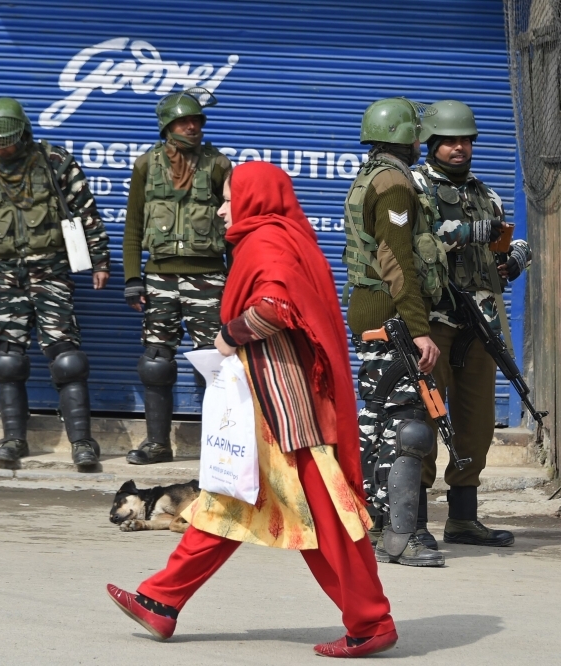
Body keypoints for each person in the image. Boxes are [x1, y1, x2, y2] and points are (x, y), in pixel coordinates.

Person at [107, 161, 397, 658]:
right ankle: (161, 599)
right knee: (229, 502)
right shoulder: (281, 235)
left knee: (326, 514)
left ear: (253, 200)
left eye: (227, 199)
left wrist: (227, 335)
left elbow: (275, 308)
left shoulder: (267, 241)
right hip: (270, 401)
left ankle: (370, 622)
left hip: (284, 407)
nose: (221, 210)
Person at [0, 97, 110, 469]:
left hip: (52, 270)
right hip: (5, 275)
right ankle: (13, 439)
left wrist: (99, 260)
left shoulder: (54, 162)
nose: (2, 149)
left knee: (67, 357)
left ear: (23, 132)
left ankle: (82, 442)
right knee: (8, 359)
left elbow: (86, 212)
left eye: (7, 141)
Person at [412, 99, 532, 548]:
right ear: (432, 143)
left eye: (466, 140)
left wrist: (513, 259)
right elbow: (413, 239)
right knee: (425, 418)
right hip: (435, 319)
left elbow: (497, 246)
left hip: (479, 321)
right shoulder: (414, 186)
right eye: (450, 141)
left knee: (477, 421)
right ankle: (416, 521)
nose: (460, 148)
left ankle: (463, 520)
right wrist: (463, 233)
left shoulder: (486, 194)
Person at [342, 98, 449, 567]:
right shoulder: (395, 185)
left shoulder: (371, 173)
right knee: (408, 426)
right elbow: (397, 259)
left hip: (372, 308)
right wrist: (419, 328)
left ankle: (373, 528)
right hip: (392, 313)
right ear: (408, 136)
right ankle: (403, 538)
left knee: (380, 423)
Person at [121, 88, 232, 465]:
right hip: (159, 279)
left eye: (198, 120)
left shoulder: (219, 165)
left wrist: (238, 281)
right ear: (167, 126)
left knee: (215, 364)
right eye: (185, 120)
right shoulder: (145, 166)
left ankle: (217, 447)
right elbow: (133, 225)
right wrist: (133, 277)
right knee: (156, 362)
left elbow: (235, 227)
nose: (193, 126)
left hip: (210, 278)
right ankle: (157, 444)